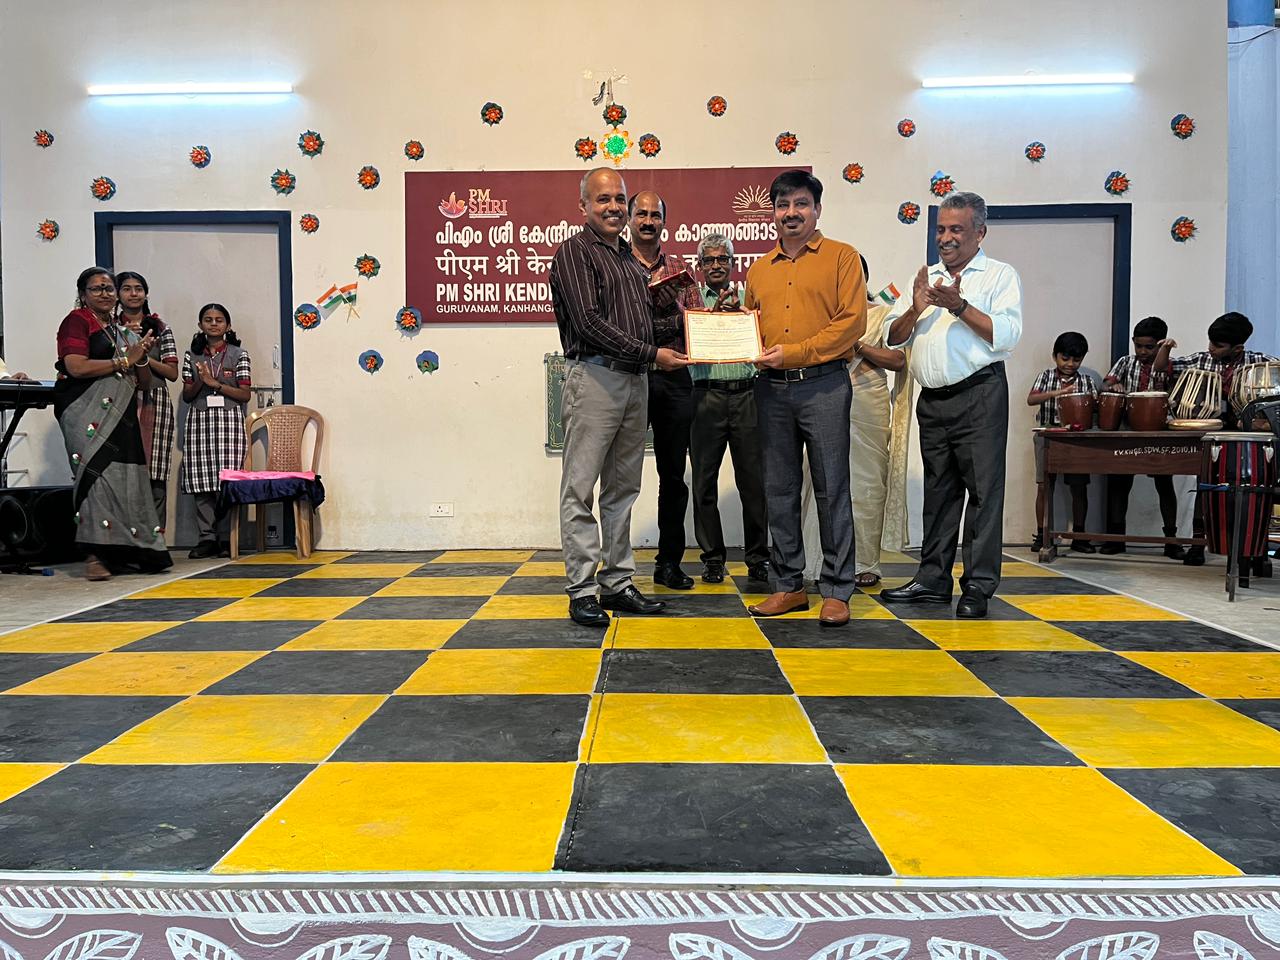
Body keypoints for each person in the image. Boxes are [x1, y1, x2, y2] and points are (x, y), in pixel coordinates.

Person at [550, 167, 688, 626]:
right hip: (595, 378)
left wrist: (687, 311)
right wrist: (652, 353)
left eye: (617, 199)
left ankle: (617, 582)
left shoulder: (628, 259)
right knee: (580, 489)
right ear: (584, 206)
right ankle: (582, 589)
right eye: (602, 199)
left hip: (635, 381)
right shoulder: (575, 251)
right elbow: (589, 324)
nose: (612, 207)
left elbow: (642, 322)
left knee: (623, 489)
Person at [880, 191, 1023, 619]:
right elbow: (892, 337)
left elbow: (1006, 335)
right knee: (939, 494)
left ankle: (977, 585)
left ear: (980, 232)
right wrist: (916, 308)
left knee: (983, 494)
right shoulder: (927, 277)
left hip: (980, 396)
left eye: (956, 229)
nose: (945, 238)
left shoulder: (999, 276)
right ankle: (932, 580)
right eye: (941, 229)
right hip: (933, 402)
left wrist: (959, 306)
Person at [744, 170, 867, 627]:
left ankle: (836, 589)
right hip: (770, 389)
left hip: (824, 385)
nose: (791, 213)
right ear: (773, 213)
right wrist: (733, 335)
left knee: (832, 487)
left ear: (817, 209)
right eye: (782, 205)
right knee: (778, 489)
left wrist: (794, 353)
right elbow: (751, 327)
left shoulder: (841, 258)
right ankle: (788, 586)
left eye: (800, 204)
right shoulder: (759, 269)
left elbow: (851, 324)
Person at [53, 267, 173, 580]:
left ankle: (126, 552)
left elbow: (144, 382)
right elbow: (75, 366)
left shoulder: (123, 333)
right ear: (83, 294)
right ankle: (94, 555)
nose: (105, 294)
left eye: (108, 288)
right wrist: (123, 360)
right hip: (84, 412)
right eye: (97, 289)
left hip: (122, 414)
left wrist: (141, 355)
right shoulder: (77, 321)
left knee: (127, 481)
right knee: (97, 479)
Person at [800, 256, 912, 588]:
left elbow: (898, 360)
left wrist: (858, 346)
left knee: (866, 484)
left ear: (864, 278)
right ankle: (817, 562)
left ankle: (864, 562)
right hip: (824, 400)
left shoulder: (882, 314)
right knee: (819, 480)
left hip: (867, 405)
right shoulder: (823, 318)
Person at [627, 190, 702, 589]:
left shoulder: (679, 270)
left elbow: (696, 326)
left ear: (664, 222)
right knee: (620, 476)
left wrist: (676, 313)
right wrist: (667, 321)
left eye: (655, 215)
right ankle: (616, 569)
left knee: (673, 477)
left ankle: (668, 564)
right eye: (641, 213)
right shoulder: (617, 265)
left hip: (674, 381)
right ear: (629, 219)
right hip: (630, 376)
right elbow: (622, 331)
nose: (648, 221)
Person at [687, 232, 769, 585]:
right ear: (700, 266)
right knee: (703, 482)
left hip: (748, 394)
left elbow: (765, 339)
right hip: (706, 396)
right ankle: (712, 558)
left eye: (723, 259)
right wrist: (712, 316)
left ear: (733, 263)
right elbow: (683, 338)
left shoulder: (749, 298)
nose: (716, 265)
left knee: (754, 483)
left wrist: (743, 315)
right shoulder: (690, 300)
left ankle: (758, 558)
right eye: (710, 260)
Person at [1164, 311, 1278, 567]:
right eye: (1210, 342)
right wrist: (1166, 348)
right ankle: (1198, 544)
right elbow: (1165, 367)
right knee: (1205, 488)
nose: (1211, 348)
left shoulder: (1258, 362)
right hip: (1212, 437)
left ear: (1238, 348)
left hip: (1247, 440)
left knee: (1250, 493)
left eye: (1217, 345)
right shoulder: (1202, 359)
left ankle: (1255, 550)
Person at [1101, 316, 1182, 558]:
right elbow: (1106, 384)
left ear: (1161, 344)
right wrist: (1113, 387)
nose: (1143, 351)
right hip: (1128, 431)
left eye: (1149, 347)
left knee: (1164, 484)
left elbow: (1173, 385)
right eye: (1138, 345)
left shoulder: (1168, 364)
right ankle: (1116, 539)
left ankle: (1171, 540)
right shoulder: (1126, 362)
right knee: (1119, 484)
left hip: (1160, 433)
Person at [180, 303, 252, 559]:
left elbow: (244, 394)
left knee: (227, 481)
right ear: (200, 325)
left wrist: (216, 384)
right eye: (208, 320)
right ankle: (206, 538)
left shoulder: (239, 354)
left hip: (229, 422)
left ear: (227, 326)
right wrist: (201, 381)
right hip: (199, 421)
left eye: (219, 320)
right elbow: (187, 395)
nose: (213, 324)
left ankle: (227, 537)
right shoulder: (192, 355)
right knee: (201, 482)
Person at [116, 271, 179, 530]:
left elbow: (172, 373)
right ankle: (125, 537)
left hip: (155, 400)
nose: (133, 293)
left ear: (146, 293)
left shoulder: (161, 328)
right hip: (120, 399)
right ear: (118, 294)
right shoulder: (110, 328)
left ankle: (155, 537)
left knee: (155, 471)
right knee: (122, 469)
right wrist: (125, 342)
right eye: (127, 288)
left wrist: (142, 354)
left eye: (138, 288)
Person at [1028, 331, 1099, 554]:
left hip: (1076, 439)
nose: (1070, 364)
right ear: (1055, 356)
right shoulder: (1046, 377)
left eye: (1076, 360)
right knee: (1044, 486)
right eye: (1065, 358)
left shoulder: (1086, 381)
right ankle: (1042, 535)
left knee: (1079, 487)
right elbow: (1031, 399)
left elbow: (1095, 407)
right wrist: (1059, 392)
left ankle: (1079, 535)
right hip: (1048, 436)